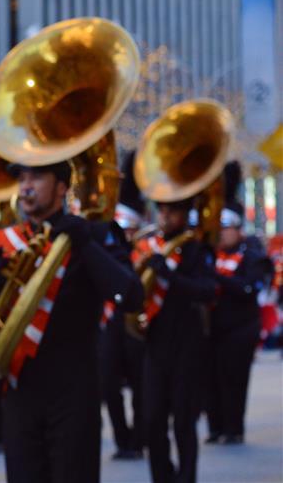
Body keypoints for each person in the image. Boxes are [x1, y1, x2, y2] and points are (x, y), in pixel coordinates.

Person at [0, 161, 141, 483]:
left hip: (74, 392)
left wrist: (86, 244)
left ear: (63, 187)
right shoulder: (4, 242)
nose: (26, 186)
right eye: (21, 178)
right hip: (19, 392)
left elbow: (130, 295)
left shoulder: (95, 232)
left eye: (36, 176)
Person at [135, 197, 216, 483]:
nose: (165, 216)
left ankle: (186, 477)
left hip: (187, 342)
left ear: (184, 214)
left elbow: (207, 290)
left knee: (184, 419)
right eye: (162, 210)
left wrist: (170, 275)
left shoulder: (196, 249)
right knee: (152, 418)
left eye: (172, 210)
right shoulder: (147, 246)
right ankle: (162, 476)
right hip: (155, 342)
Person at [205, 199, 268, 444]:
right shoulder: (209, 256)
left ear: (238, 229)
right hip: (213, 328)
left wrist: (216, 278)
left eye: (226, 228)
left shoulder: (252, 257)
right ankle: (215, 427)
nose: (221, 233)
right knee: (211, 379)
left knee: (234, 380)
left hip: (240, 329)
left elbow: (247, 288)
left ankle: (233, 428)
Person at [100, 151, 146, 460]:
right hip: (108, 324)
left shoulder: (146, 248)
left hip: (138, 325)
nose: (127, 234)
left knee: (142, 386)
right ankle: (122, 440)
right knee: (109, 385)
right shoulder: (111, 251)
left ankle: (139, 438)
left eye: (131, 229)